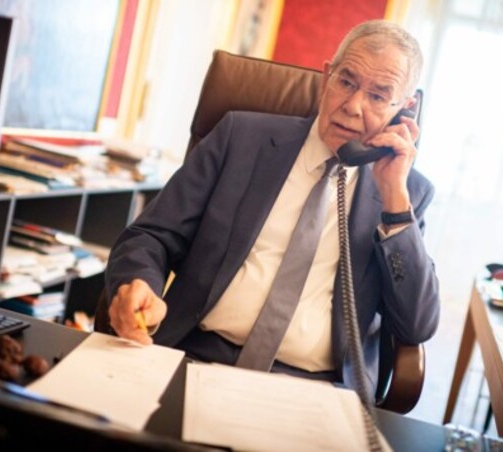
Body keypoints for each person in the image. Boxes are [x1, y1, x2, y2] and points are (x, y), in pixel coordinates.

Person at [105, 20, 439, 394]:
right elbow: (150, 236)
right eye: (346, 81)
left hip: (314, 389)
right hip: (194, 356)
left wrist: (394, 202)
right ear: (326, 76)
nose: (353, 106)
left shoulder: (407, 193)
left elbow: (415, 325)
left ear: (404, 109)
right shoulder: (239, 137)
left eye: (378, 96)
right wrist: (139, 285)